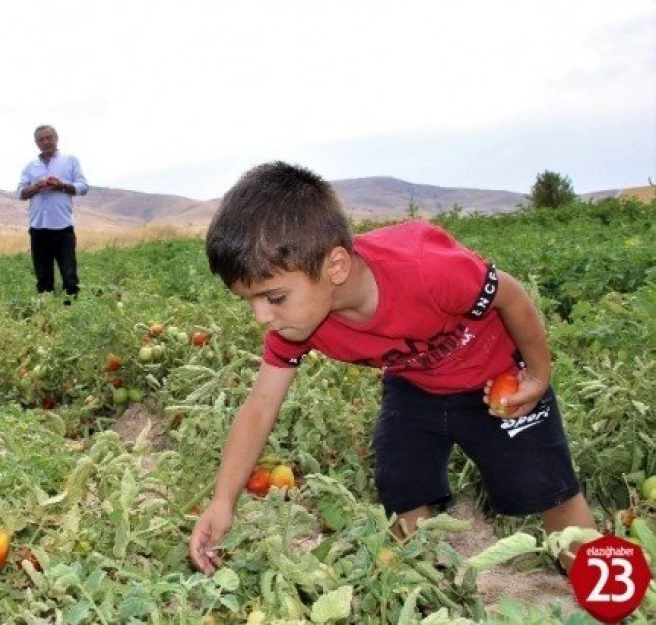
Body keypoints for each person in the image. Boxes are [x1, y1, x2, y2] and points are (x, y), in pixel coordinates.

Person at [187, 162, 596, 576]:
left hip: (496, 382)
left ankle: (603, 587)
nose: (261, 317)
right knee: (401, 485)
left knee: (551, 492)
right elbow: (260, 404)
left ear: (336, 267)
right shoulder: (296, 325)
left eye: (273, 297)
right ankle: (421, 580)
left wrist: (538, 376)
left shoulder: (424, 267)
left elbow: (511, 296)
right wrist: (223, 502)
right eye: (250, 301)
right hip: (415, 386)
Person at [16, 125, 89, 298]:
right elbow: (20, 193)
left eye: (49, 137)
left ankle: (71, 314)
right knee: (43, 278)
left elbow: (83, 187)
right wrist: (36, 186)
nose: (46, 142)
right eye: (41, 139)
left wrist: (61, 185)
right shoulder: (30, 167)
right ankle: (47, 317)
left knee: (70, 276)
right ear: (36, 143)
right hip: (38, 229)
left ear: (56, 138)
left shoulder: (70, 161)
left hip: (63, 228)